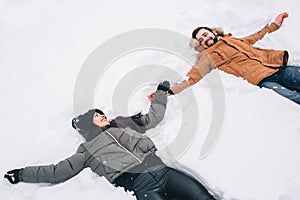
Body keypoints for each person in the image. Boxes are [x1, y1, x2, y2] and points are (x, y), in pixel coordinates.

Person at [4, 81, 216, 200]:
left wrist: (161, 92)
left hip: (165, 173)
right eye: (96, 115)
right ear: (88, 124)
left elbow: (154, 117)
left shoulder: (125, 123)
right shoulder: (86, 150)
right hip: (142, 188)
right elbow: (57, 171)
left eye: (101, 112)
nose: (102, 115)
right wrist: (22, 174)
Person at [150, 12, 300, 104]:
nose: (205, 39)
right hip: (264, 80)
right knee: (293, 99)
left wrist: (275, 24)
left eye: (205, 34)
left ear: (213, 32)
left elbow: (256, 36)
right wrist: (167, 91)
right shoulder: (207, 57)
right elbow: (192, 78)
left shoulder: (233, 39)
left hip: (278, 67)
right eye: (201, 39)